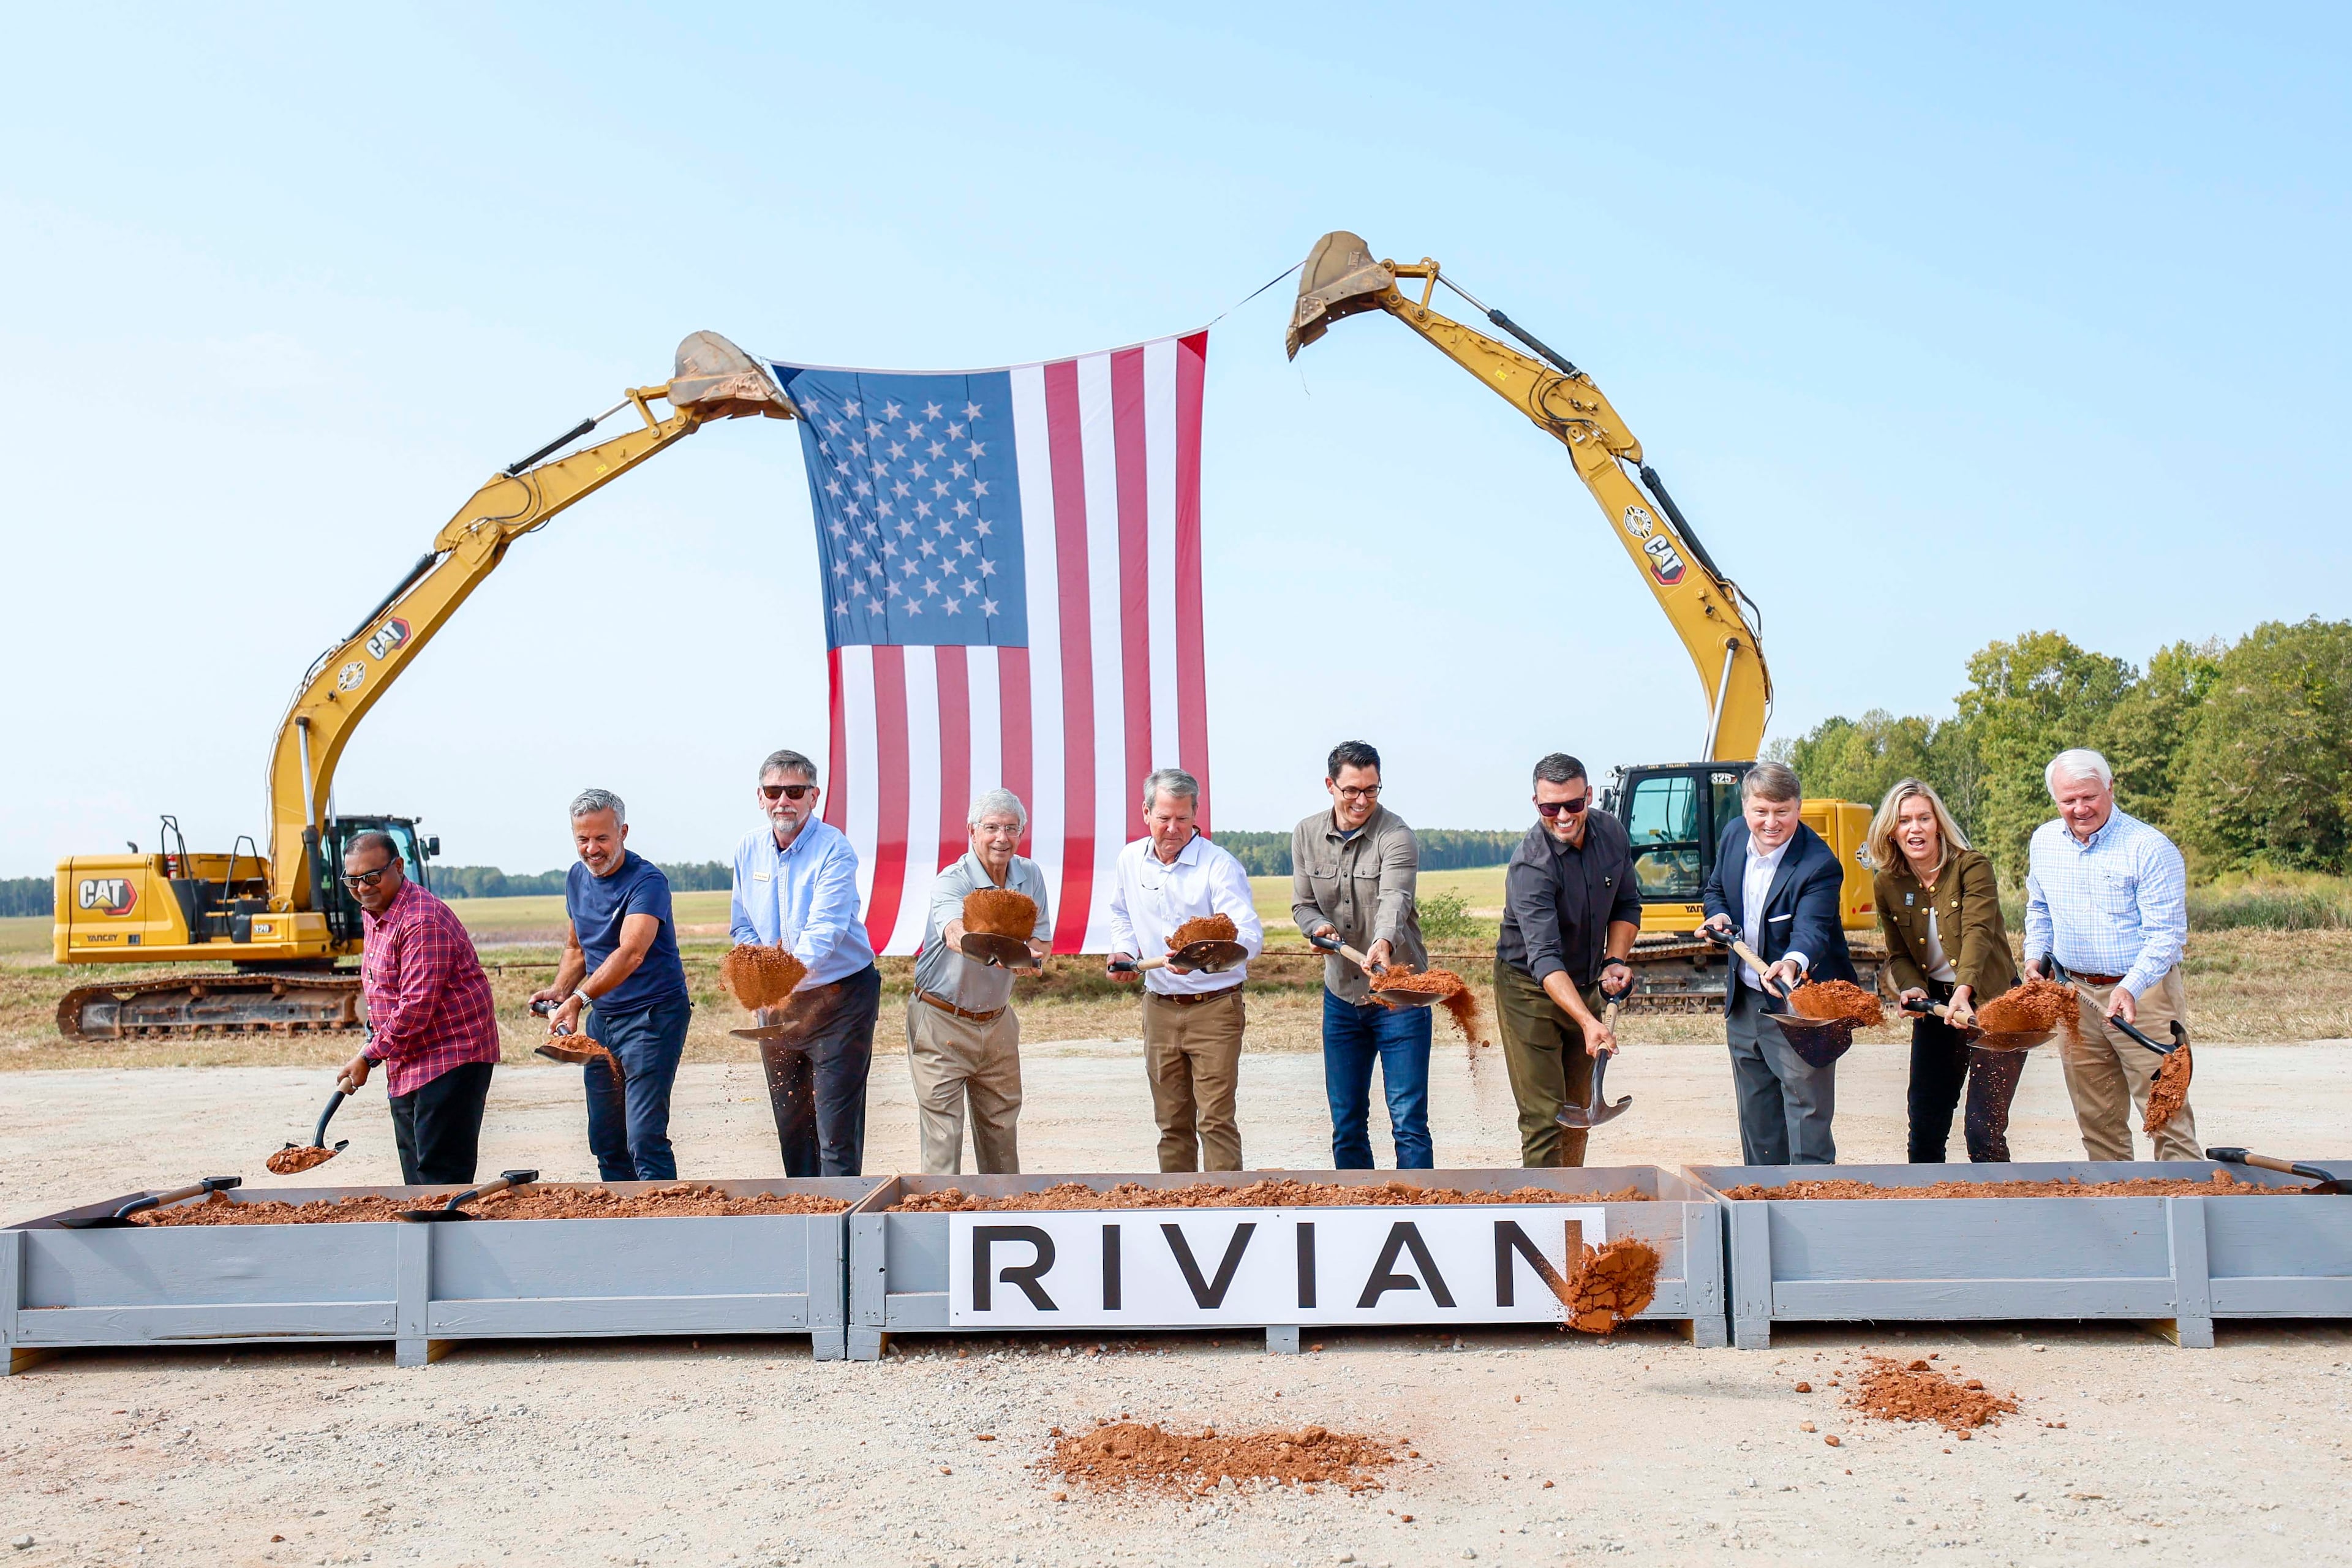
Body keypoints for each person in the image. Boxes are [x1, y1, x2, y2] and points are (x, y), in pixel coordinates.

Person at [2023, 748, 2197, 1160]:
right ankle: (2122, 1215)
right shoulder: (2044, 842)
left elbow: (2167, 936)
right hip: (2074, 994)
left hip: (2146, 994)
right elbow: (2040, 908)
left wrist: (2131, 987)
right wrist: (2035, 957)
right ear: (2055, 800)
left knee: (2165, 1115)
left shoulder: (2149, 848)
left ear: (2110, 788)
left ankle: (2184, 1212)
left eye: (2090, 797)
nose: (2080, 808)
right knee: (2097, 1120)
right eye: (2069, 801)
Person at [729, 748, 881, 1177]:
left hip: (839, 1000)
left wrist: (776, 976)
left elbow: (825, 932)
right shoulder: (747, 850)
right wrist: (756, 973)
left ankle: (841, 1229)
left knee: (834, 1127)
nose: (784, 801)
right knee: (792, 1125)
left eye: (794, 791)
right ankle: (804, 1219)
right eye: (774, 791)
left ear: (814, 796)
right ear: (760, 797)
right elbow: (741, 926)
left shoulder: (835, 850)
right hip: (776, 1004)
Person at [1107, 767, 1266, 1172]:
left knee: (1214, 1120)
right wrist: (1123, 953)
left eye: (1182, 817)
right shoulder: (1129, 860)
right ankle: (1177, 1208)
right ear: (1146, 813)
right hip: (1158, 1006)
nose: (1173, 828)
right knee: (1171, 1122)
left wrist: (1204, 961)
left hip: (1214, 1007)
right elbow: (1121, 913)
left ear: (1196, 814)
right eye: (1164, 818)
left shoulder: (1219, 866)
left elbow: (1249, 937)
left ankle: (1225, 1209)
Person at [1700, 761, 1859, 1166]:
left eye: (1782, 811)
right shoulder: (1735, 836)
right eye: (1761, 811)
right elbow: (1717, 887)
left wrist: (1791, 963)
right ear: (1746, 810)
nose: (1771, 822)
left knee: (1807, 1113)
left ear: (1798, 808)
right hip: (1745, 1003)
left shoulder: (1818, 865)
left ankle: (1812, 1205)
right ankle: (1763, 1204)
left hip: (1799, 1005)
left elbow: (1813, 930)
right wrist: (1717, 914)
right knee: (1757, 1118)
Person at [535, 789, 692, 1182]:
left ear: (623, 832)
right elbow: (577, 947)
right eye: (582, 839)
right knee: (606, 1138)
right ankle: (622, 1226)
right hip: (604, 1020)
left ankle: (664, 1217)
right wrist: (559, 992)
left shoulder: (647, 881)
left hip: (652, 1016)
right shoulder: (576, 878)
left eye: (602, 838)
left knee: (643, 1137)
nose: (592, 849)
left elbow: (632, 952)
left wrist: (579, 998)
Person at [1493, 753, 1641, 1167]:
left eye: (1574, 805)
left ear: (1589, 796)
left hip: (1584, 979)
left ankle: (1571, 1207)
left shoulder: (1611, 834)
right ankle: (1543, 1218)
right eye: (1549, 807)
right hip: (1528, 988)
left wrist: (1615, 959)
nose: (1562, 816)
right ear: (1536, 804)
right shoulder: (1531, 866)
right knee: (1545, 1117)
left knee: (1579, 1113)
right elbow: (1543, 959)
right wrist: (1588, 1021)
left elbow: (1628, 905)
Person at [1292, 740, 1433, 1169]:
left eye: (1371, 790)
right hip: (1341, 996)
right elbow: (1303, 905)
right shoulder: (1306, 834)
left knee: (1408, 1119)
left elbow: (1396, 898)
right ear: (1330, 785)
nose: (1361, 800)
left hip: (1399, 995)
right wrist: (1318, 928)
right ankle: (1358, 1218)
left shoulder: (1396, 835)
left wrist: (1383, 944)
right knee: (1347, 1122)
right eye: (1351, 790)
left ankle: (1422, 1215)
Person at [1869, 777, 2026, 1163]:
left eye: (1924, 818)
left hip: (1995, 1006)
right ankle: (1927, 1214)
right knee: (1924, 1125)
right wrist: (1910, 988)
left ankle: (1998, 1216)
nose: (1915, 828)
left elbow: (1978, 934)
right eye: (1905, 820)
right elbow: (1898, 953)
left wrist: (1964, 991)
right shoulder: (1888, 882)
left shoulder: (1972, 867)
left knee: (1982, 1129)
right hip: (1935, 1007)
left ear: (1938, 823)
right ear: (1892, 830)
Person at [334, 831, 502, 1185]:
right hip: (409, 1058)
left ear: (398, 866)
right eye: (353, 880)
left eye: (372, 877)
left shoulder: (421, 920)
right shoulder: (375, 911)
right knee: (417, 1179)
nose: (362, 888)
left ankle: (449, 1239)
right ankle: (426, 1236)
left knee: (440, 1178)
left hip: (451, 1055)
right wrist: (374, 1038)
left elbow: (415, 1007)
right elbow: (384, 986)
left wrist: (367, 1057)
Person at [907, 788, 1051, 1175]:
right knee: (943, 1137)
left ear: (1021, 833)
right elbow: (955, 932)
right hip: (941, 1018)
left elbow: (1041, 939)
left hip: (997, 1019)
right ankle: (940, 1223)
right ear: (972, 832)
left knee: (1001, 1132)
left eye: (1010, 828)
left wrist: (1033, 959)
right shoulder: (951, 882)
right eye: (991, 828)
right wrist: (998, 952)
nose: (1001, 837)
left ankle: (1003, 1218)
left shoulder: (1030, 875)